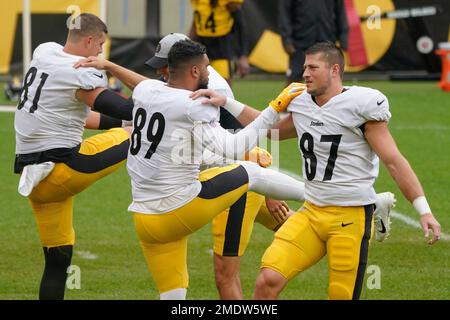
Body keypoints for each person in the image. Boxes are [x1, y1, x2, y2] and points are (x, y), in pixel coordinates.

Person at [193, 42, 441, 300]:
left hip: (350, 215)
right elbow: (271, 131)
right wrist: (227, 103)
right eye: (304, 67)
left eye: (313, 67)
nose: (305, 74)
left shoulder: (362, 104)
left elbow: (393, 161)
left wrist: (424, 210)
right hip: (311, 212)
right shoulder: (302, 102)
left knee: (340, 295)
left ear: (335, 70)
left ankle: (376, 208)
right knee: (268, 279)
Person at [128, 39, 308, 300]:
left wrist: (109, 65)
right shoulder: (193, 103)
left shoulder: (145, 89)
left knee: (173, 296)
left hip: (143, 218)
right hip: (175, 209)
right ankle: (323, 195)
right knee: (250, 171)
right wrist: (273, 109)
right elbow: (234, 148)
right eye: (206, 68)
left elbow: (140, 85)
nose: (208, 73)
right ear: (194, 71)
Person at [13, 13, 139, 300]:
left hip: (35, 180)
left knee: (58, 261)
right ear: (91, 40)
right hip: (62, 168)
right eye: (100, 45)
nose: (99, 52)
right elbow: (127, 108)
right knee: (142, 134)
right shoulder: (78, 70)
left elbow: (81, 117)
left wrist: (125, 123)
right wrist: (158, 102)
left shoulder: (45, 52)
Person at [279, 0, 348, 83]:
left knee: (328, 81)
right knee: (293, 82)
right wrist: (287, 40)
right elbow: (284, 14)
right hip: (300, 43)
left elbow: (341, 14)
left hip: (326, 43)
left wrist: (343, 40)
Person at [190, 0, 250, 83]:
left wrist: (243, 56)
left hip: (221, 47)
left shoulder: (229, 2)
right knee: (197, 86)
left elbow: (241, 27)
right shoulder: (199, 2)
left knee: (223, 87)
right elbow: (197, 21)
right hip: (201, 45)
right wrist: (190, 42)